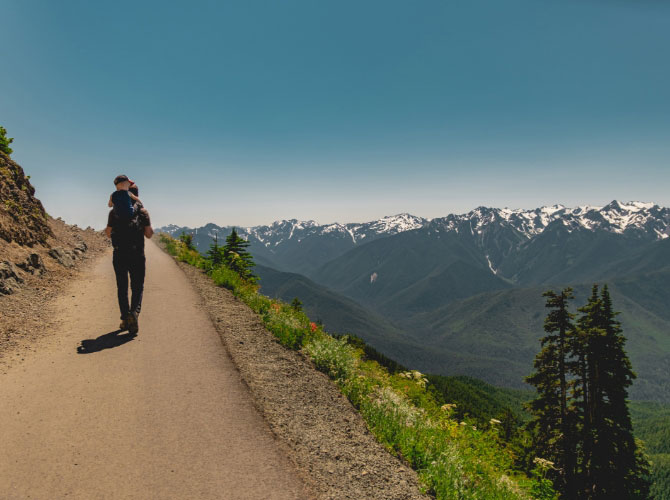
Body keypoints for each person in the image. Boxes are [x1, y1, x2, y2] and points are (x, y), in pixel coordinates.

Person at [105, 178, 153, 335]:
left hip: (119, 253)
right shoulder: (143, 212)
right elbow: (148, 235)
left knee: (122, 286)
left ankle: (125, 318)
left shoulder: (114, 212)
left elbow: (108, 233)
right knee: (137, 287)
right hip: (137, 254)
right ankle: (134, 314)